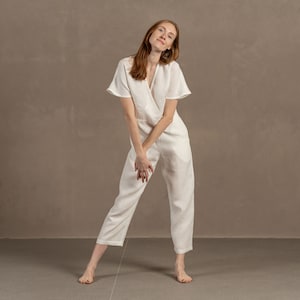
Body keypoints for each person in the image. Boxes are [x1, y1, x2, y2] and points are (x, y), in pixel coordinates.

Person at [79, 19, 194, 284]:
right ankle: (91, 266)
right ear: (151, 33)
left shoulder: (173, 69)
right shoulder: (126, 66)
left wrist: (145, 150)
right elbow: (130, 118)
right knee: (125, 199)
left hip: (174, 137)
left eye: (171, 36)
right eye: (161, 31)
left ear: (171, 46)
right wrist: (140, 154)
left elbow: (167, 118)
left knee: (182, 196)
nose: (165, 36)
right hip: (141, 139)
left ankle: (179, 264)